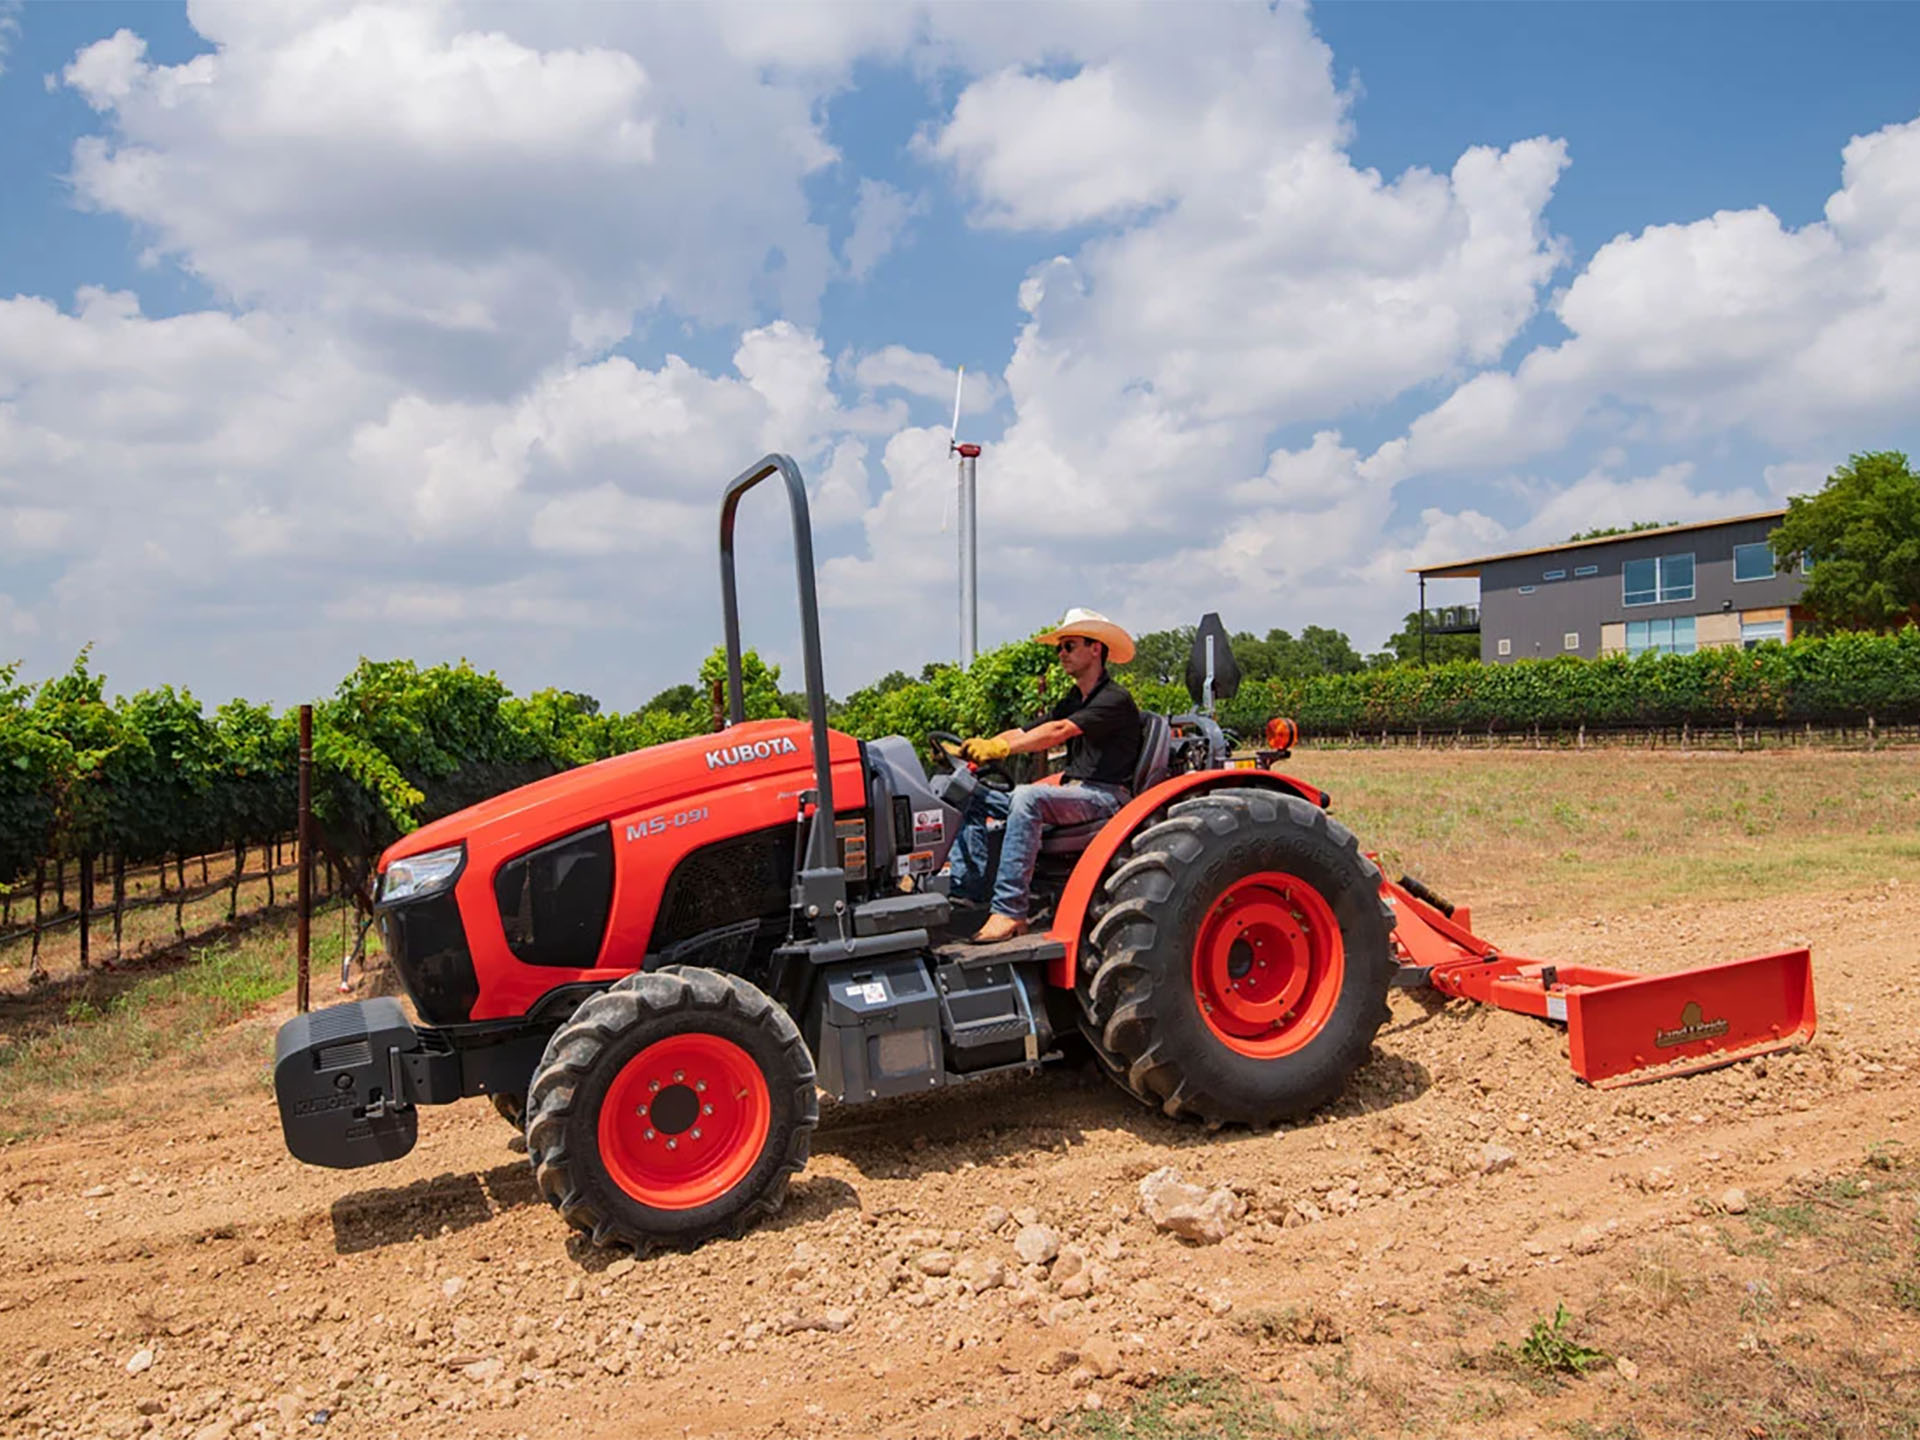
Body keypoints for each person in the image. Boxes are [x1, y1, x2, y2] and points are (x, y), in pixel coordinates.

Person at [949, 608, 1143, 942]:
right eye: (1060, 647)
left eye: (1069, 646)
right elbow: (1027, 729)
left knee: (1027, 796)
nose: (1061, 654)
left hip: (1105, 797)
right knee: (969, 794)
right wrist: (988, 743)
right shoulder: (1074, 698)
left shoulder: (1114, 699)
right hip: (1075, 793)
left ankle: (1009, 912)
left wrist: (1002, 751)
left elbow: (1058, 730)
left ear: (1095, 648)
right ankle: (967, 894)